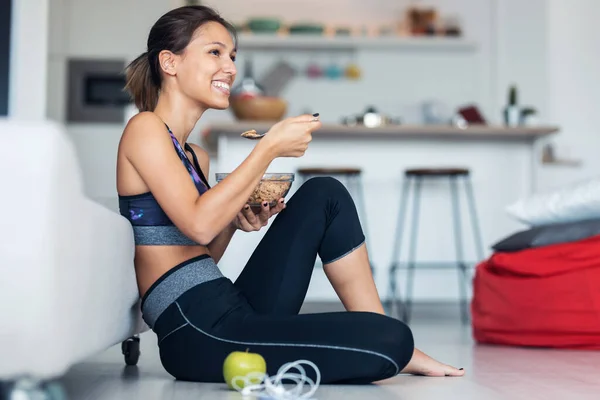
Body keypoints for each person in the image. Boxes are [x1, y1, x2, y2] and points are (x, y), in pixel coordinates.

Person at [117, 5, 465, 384]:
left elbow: (198, 250)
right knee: (392, 341)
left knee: (325, 194)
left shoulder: (194, 154)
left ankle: (390, 340)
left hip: (225, 303)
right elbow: (198, 226)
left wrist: (233, 223)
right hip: (193, 328)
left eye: (232, 55)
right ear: (169, 62)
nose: (230, 67)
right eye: (215, 52)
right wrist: (268, 149)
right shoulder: (145, 128)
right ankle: (396, 346)